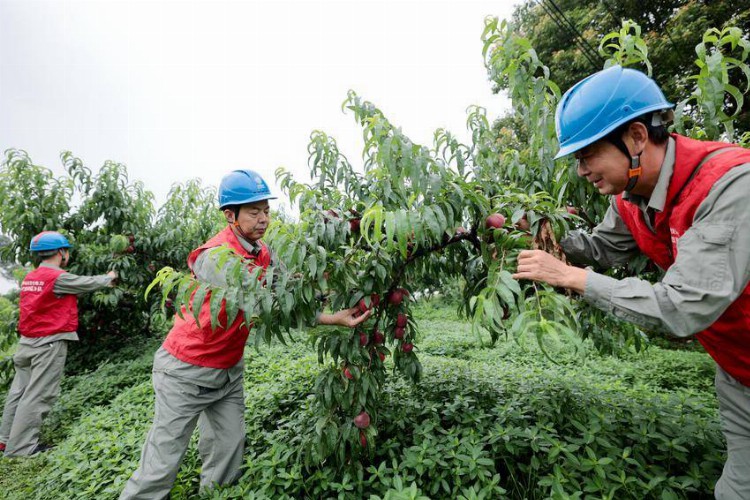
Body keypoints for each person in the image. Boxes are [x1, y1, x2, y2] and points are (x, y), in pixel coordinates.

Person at [513, 65, 750, 499]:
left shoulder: (730, 186)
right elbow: (602, 246)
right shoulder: (631, 198)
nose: (582, 170)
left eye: (587, 155)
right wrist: (542, 234)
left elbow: (680, 308)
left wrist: (571, 277)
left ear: (637, 137)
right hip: (739, 370)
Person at [120, 169, 370, 499]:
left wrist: (331, 311)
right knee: (162, 461)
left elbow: (290, 298)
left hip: (227, 371)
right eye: (254, 212)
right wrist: (295, 283)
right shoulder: (216, 256)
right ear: (230, 215)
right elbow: (263, 299)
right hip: (184, 370)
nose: (263, 218)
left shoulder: (263, 252)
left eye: (266, 210)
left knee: (227, 450)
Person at [0, 231, 117, 457]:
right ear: (61, 252)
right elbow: (87, 283)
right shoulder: (57, 277)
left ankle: (5, 440)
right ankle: (22, 448)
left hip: (26, 344)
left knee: (19, 392)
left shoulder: (31, 276)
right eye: (67, 251)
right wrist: (109, 277)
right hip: (48, 344)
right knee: (38, 395)